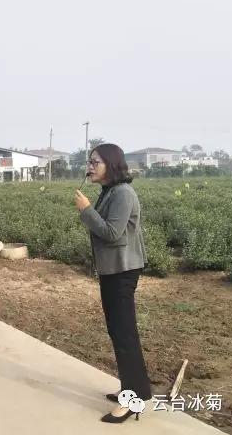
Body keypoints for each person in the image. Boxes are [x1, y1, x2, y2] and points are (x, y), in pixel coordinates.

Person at [74, 144, 152, 424]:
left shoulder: (122, 193)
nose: (90, 167)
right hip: (113, 269)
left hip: (122, 270)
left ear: (111, 164)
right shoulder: (109, 191)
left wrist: (86, 210)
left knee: (124, 333)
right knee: (119, 332)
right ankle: (134, 389)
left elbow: (111, 232)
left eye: (95, 162)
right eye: (89, 162)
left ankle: (134, 399)